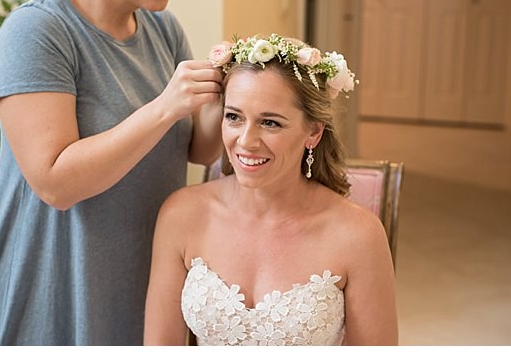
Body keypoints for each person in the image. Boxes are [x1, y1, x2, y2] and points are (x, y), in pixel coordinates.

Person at [0, 0, 223, 345]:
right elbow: (55, 184)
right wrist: (166, 105)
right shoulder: (38, 32)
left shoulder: (163, 29)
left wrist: (224, 91)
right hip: (57, 273)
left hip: (138, 268)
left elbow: (198, 151)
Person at [144, 34, 398, 346]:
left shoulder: (358, 235)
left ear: (313, 132)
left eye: (270, 123)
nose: (246, 142)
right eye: (234, 117)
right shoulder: (181, 214)